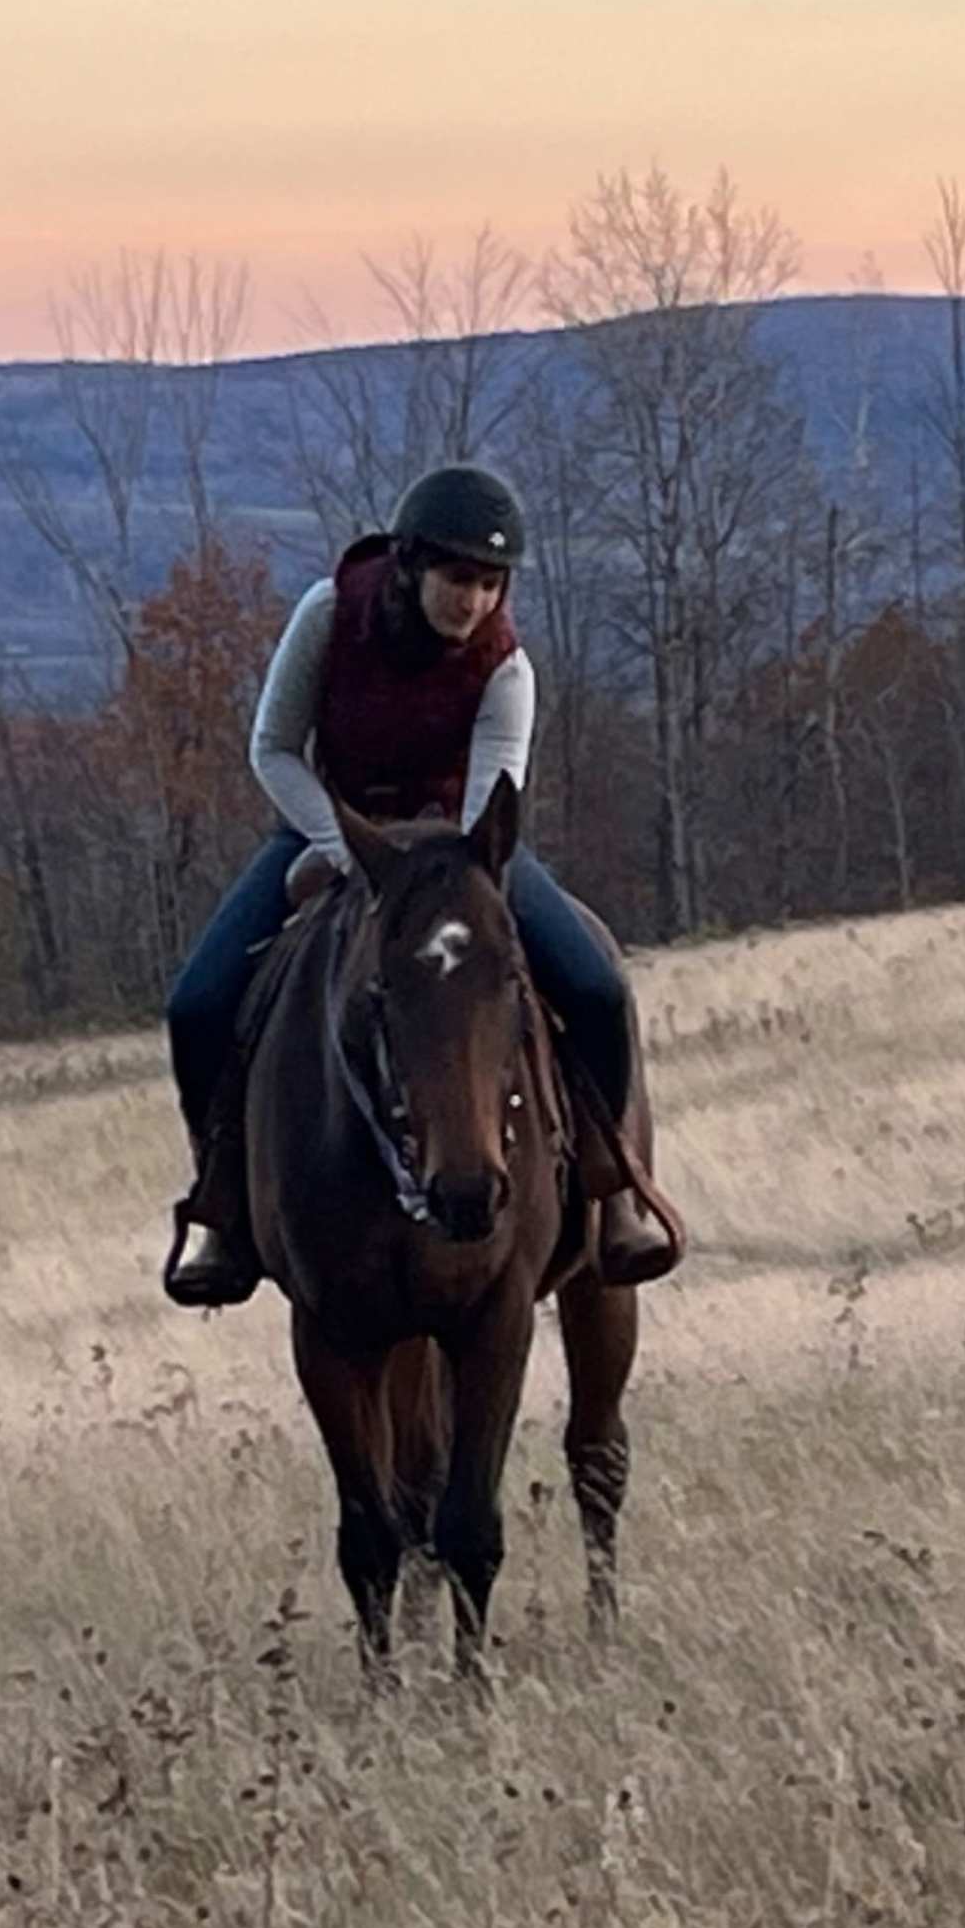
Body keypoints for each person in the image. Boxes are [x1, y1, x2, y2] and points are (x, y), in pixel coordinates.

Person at [159, 462, 681, 1309]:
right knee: (197, 1003)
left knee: (594, 983)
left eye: (488, 582)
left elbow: (489, 817)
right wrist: (344, 848)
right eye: (455, 577)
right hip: (329, 830)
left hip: (460, 855)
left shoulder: (506, 667)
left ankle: (614, 1189)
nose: (471, 600)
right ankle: (223, 1202)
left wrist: (434, 881)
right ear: (409, 566)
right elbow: (274, 749)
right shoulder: (329, 616)